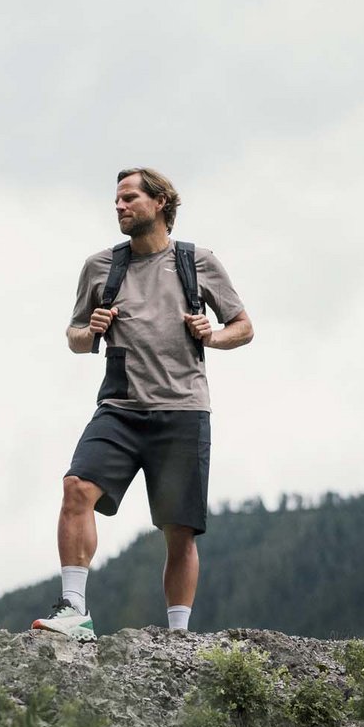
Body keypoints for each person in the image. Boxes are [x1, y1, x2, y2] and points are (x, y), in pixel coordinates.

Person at [34, 167, 253, 641]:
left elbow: (243, 326)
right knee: (76, 488)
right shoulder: (100, 266)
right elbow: (73, 337)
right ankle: (74, 612)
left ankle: (178, 635)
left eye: (129, 198)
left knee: (179, 530)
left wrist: (211, 336)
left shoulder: (198, 261)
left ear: (159, 203)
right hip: (120, 406)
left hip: (183, 409)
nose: (119, 206)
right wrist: (89, 329)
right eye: (116, 200)